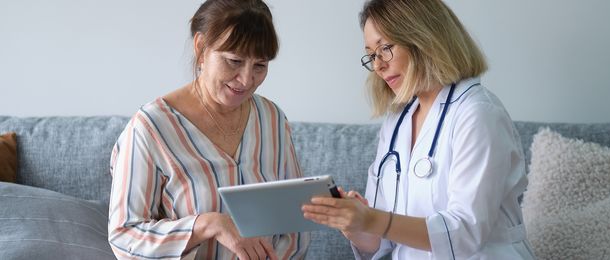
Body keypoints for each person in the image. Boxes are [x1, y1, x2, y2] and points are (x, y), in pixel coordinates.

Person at [302, 0, 536, 259]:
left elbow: (466, 233)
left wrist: (373, 220)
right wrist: (355, 224)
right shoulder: (397, 123)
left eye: (385, 48)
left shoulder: (478, 113)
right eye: (371, 55)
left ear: (424, 39)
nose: (378, 65)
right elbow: (379, 243)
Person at [108, 0, 308, 259]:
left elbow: (294, 225)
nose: (247, 80)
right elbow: (124, 237)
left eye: (260, 65)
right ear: (201, 47)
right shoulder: (150, 128)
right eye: (234, 61)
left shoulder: (272, 119)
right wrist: (208, 224)